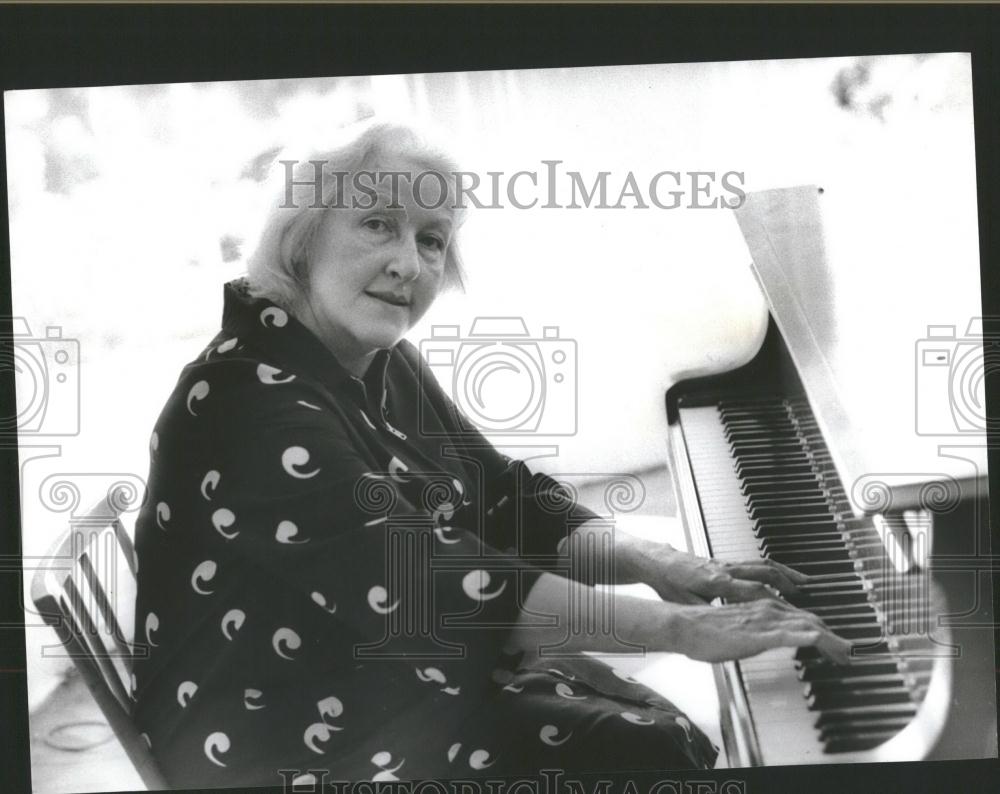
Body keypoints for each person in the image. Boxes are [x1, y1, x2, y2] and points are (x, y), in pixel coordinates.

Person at [131, 122, 851, 788]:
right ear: (304, 239)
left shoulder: (375, 359)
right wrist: (677, 627)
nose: (407, 264)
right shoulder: (245, 400)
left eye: (432, 239)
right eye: (378, 224)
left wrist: (664, 567)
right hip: (275, 736)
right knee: (635, 749)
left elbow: (505, 501)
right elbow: (429, 589)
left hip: (365, 671)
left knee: (642, 732)